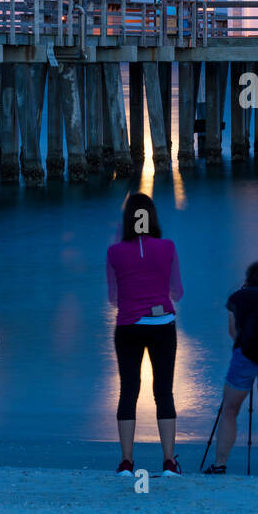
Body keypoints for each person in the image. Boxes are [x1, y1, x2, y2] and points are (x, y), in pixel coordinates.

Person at [106, 192, 183, 476]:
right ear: (153, 218)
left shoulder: (114, 252)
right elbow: (178, 291)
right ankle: (169, 463)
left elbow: (113, 297)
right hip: (162, 325)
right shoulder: (168, 247)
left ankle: (127, 461)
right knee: (163, 392)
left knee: (129, 391)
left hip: (128, 326)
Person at [204, 261, 258, 476]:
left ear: (247, 279)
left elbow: (232, 331)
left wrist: (247, 346)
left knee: (230, 410)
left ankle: (220, 463)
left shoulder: (236, 298)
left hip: (244, 356)